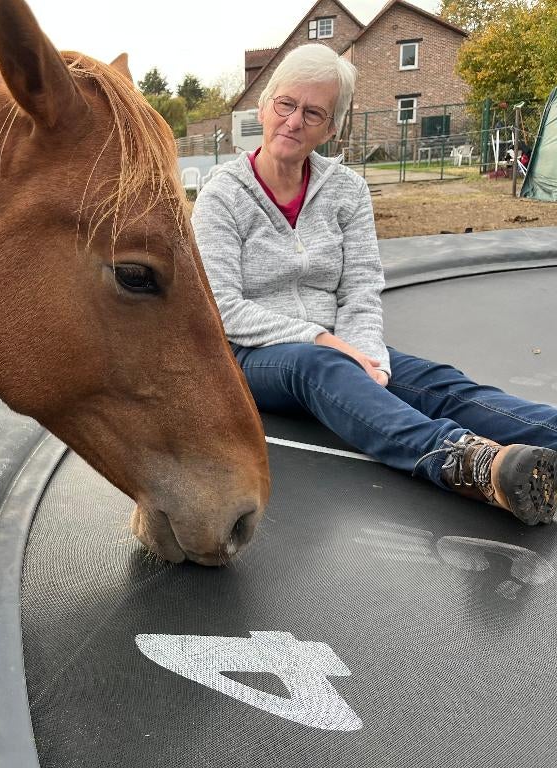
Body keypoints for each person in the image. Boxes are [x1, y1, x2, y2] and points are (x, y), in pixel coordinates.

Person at [193, 44, 557, 524]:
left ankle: (546, 432)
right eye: (286, 104)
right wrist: (322, 339)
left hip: (341, 345)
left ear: (331, 127)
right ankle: (465, 462)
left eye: (313, 112)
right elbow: (222, 307)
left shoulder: (347, 190)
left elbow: (361, 286)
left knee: (439, 382)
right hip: (255, 356)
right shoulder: (223, 194)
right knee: (318, 365)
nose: (294, 120)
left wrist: (369, 357)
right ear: (264, 106)